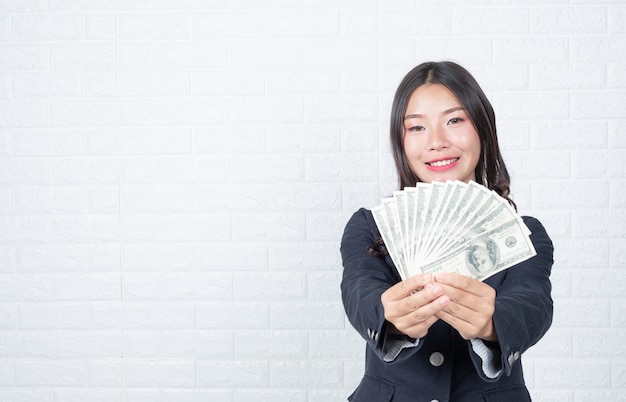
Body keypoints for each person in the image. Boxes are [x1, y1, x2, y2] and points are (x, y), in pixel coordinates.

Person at [340, 61, 553, 402]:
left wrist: (493, 323)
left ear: (482, 127)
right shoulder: (369, 226)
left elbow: (533, 301)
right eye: (416, 128)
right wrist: (388, 316)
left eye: (454, 120)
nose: (436, 142)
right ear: (401, 140)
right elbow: (358, 288)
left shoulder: (525, 233)